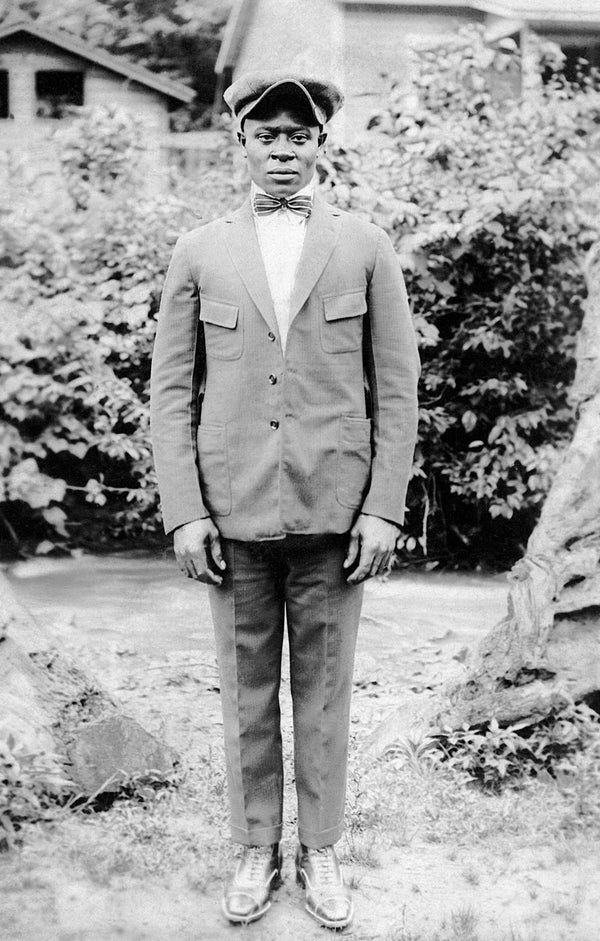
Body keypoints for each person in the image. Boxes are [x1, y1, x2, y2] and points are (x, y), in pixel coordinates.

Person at [150, 71, 420, 930]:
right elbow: (170, 393)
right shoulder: (199, 250)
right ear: (241, 142)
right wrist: (186, 509)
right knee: (244, 692)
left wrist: (382, 506)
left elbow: (398, 388)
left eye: (298, 137)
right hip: (230, 513)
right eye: (266, 136)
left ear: (320, 146)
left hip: (335, 513)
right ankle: (256, 845)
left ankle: (323, 848)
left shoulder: (367, 246)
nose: (282, 152)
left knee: (326, 692)